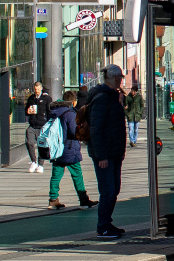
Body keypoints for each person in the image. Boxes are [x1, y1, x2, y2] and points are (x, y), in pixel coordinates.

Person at [87, 64, 128, 238]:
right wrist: (101, 155)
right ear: (116, 79)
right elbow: (96, 129)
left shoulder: (112, 97)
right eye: (121, 78)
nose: (121, 81)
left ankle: (107, 223)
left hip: (114, 152)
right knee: (108, 190)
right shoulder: (102, 98)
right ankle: (103, 226)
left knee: (114, 189)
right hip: (105, 155)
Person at [47, 90, 96, 210]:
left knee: (56, 174)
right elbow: (74, 132)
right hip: (69, 148)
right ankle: (83, 199)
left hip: (57, 148)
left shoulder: (54, 112)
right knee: (77, 174)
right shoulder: (70, 114)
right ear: (73, 102)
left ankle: (53, 199)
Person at [23, 80, 51, 173]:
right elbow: (26, 111)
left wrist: (49, 124)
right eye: (35, 89)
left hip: (42, 125)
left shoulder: (47, 99)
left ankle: (40, 165)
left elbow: (50, 112)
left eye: (38, 89)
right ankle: (33, 161)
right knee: (29, 142)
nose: (37, 91)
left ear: (41, 89)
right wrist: (28, 111)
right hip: (32, 125)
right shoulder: (31, 98)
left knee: (41, 145)